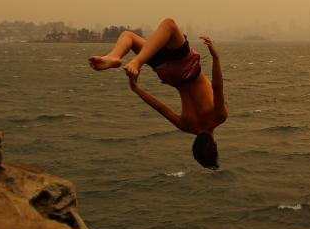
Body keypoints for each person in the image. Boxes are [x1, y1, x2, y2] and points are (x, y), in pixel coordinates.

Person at [88, 18, 227, 169]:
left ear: (215, 144)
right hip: (168, 74)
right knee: (128, 36)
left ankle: (130, 59)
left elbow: (218, 87)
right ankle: (114, 57)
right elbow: (161, 108)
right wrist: (135, 87)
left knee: (169, 25)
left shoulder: (218, 117)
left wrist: (216, 57)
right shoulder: (187, 126)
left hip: (186, 66)